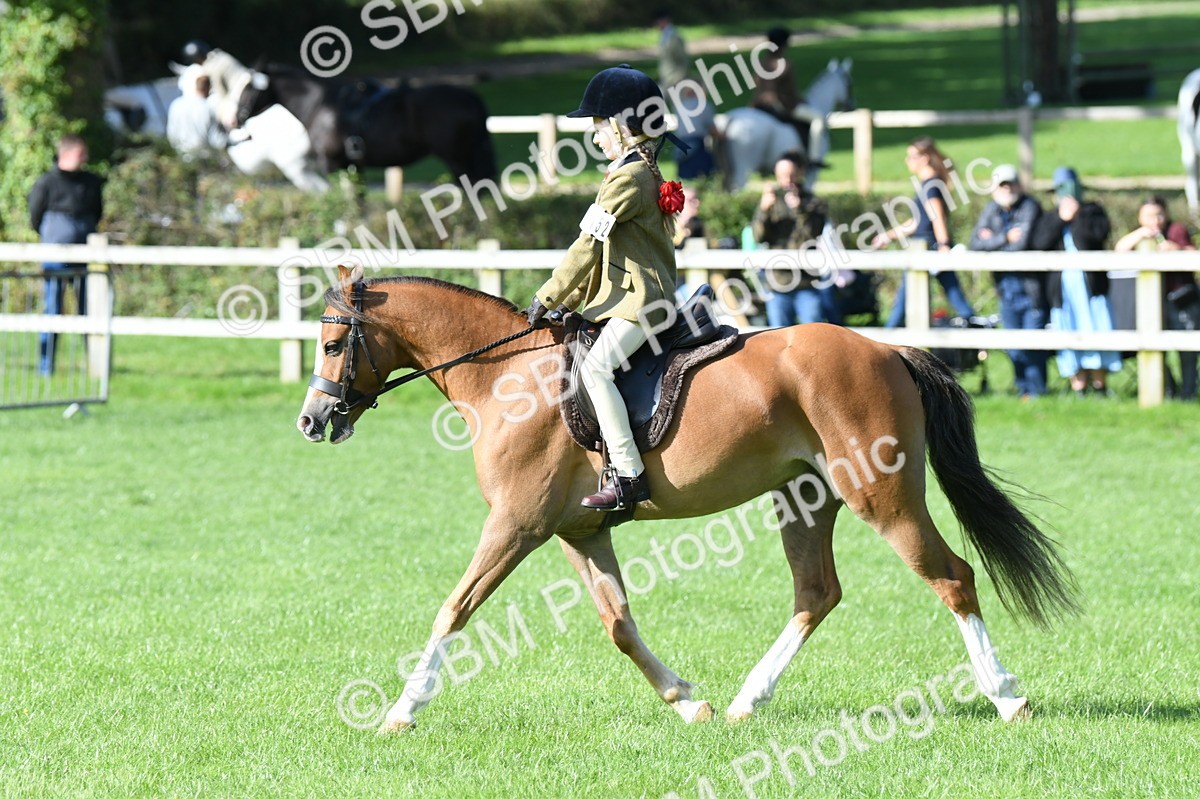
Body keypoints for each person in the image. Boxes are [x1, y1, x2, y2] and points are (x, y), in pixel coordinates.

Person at [524, 66, 684, 511]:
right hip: (631, 297)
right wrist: (574, 301)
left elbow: (588, 245)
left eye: (598, 128)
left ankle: (630, 475)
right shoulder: (633, 172)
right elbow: (609, 256)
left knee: (595, 371)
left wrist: (548, 295)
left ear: (619, 125)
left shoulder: (627, 179)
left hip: (644, 305)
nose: (595, 139)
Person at [1030, 166, 1119, 396]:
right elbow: (1039, 242)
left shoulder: (1093, 212)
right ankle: (1078, 386)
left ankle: (1100, 385)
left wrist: (1077, 215)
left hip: (1092, 287)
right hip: (1062, 290)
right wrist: (1062, 218)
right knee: (1068, 329)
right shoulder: (1049, 217)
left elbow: (1097, 236)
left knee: (1096, 329)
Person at [872, 137, 975, 327]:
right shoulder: (929, 183)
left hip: (927, 246)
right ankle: (978, 332)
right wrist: (889, 235)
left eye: (911, 156)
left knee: (903, 303)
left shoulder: (930, 185)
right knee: (956, 297)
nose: (907, 161)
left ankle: (883, 343)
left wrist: (943, 246)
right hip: (929, 243)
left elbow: (937, 217)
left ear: (925, 158)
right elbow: (918, 221)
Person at [28, 134, 105, 376]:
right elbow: (35, 215)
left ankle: (96, 366)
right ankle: (45, 366)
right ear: (68, 153)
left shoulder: (91, 182)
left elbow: (97, 212)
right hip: (55, 254)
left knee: (89, 309)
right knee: (52, 308)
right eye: (81, 153)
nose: (85, 158)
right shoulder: (47, 182)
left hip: (85, 253)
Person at [969, 163, 1046, 398]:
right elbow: (975, 242)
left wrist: (993, 240)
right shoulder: (992, 209)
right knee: (1012, 344)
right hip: (1005, 288)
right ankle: (1023, 389)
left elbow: (1021, 245)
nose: (1007, 188)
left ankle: (1036, 392)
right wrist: (1005, 237)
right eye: (1002, 185)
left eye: (1010, 183)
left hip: (1030, 288)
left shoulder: (1031, 207)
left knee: (1031, 343)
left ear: (1018, 185)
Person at [1114, 195, 1198, 400]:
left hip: (1183, 299)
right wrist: (1141, 234)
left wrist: (1175, 250)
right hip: (1154, 303)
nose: (1156, 220)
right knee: (1154, 350)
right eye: (1149, 215)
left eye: (1159, 214)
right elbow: (1120, 250)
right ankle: (1167, 390)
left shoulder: (1176, 230)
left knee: (1187, 352)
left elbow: (1193, 253)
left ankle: (1188, 393)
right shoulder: (1142, 237)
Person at [752, 151, 839, 325]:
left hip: (806, 282)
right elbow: (758, 236)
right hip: (777, 282)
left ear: (800, 173)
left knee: (813, 331)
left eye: (790, 175)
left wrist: (801, 211)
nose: (786, 180)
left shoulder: (813, 202)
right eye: (781, 176)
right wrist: (763, 211)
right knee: (778, 335)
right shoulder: (771, 201)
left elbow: (812, 236)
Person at [167, 64, 227, 157]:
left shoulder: (175, 105)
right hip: (205, 161)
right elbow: (217, 142)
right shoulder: (208, 107)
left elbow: (172, 136)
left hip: (182, 159)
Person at [672, 82, 719, 180]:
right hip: (697, 146)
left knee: (684, 180)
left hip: (680, 146)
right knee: (704, 177)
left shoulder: (679, 106)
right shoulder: (704, 106)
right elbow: (712, 130)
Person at [652, 9, 688, 91]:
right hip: (666, 78)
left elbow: (682, 59)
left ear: (664, 20)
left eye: (658, 22)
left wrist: (680, 77)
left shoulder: (674, 37)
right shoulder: (664, 35)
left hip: (674, 79)